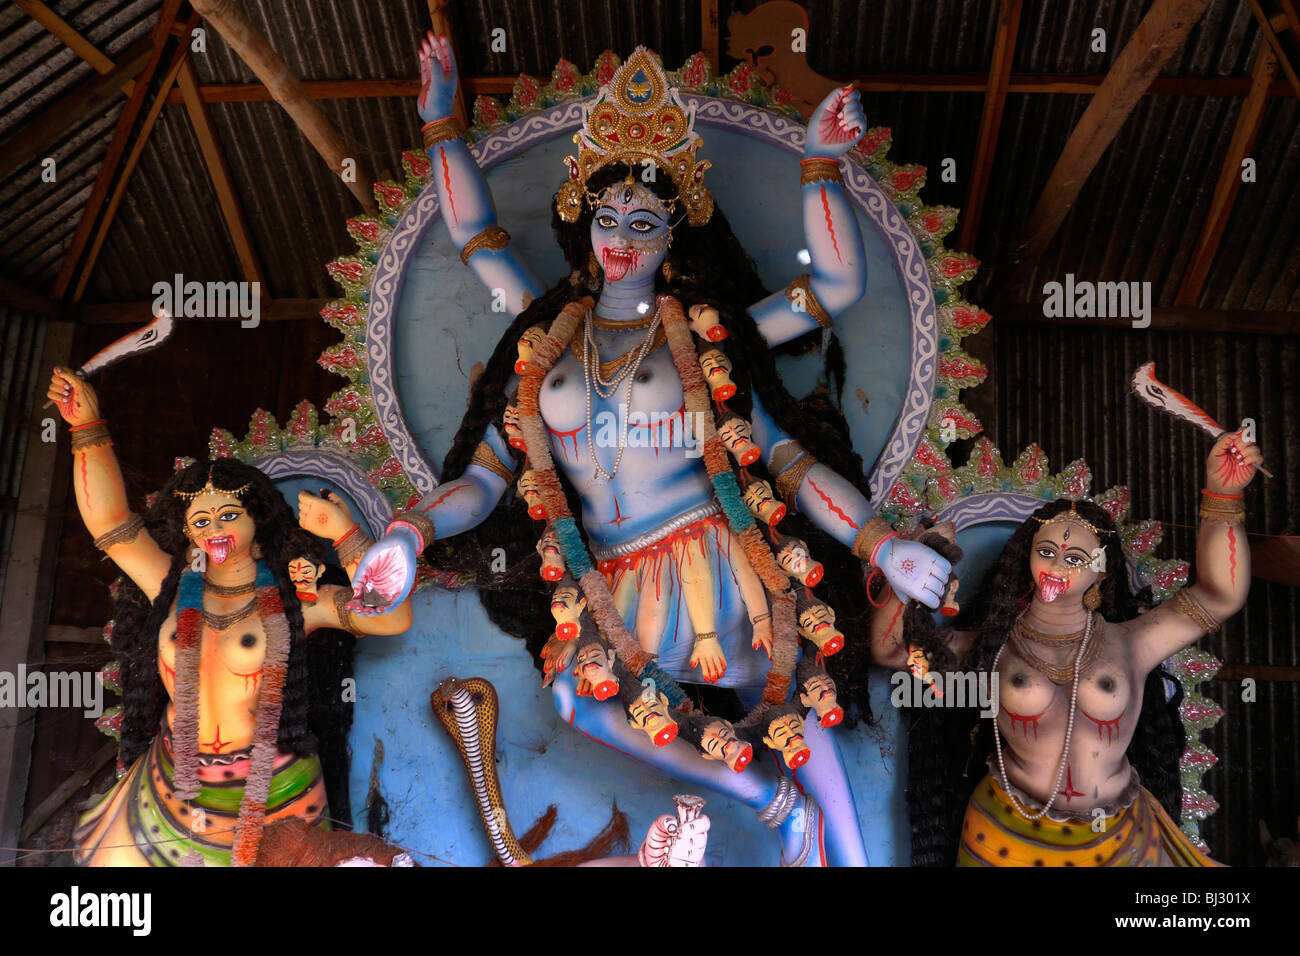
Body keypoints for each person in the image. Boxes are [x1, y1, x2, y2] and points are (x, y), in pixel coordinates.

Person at [351, 37, 953, 866]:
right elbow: (485, 470)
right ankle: (771, 801)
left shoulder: (715, 335)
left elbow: (827, 323)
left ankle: (846, 856)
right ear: (584, 223)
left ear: (676, 235)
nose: (623, 239)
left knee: (796, 709)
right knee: (576, 696)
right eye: (608, 219)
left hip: (720, 553)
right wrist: (407, 535)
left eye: (645, 222)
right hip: (610, 571)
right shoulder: (543, 334)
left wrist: (819, 164)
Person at [48, 368, 412, 866]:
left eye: (227, 515)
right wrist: (86, 428)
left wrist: (345, 533)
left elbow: (390, 618)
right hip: (173, 782)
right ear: (188, 533)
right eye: (200, 520)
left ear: (257, 519)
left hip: (279, 792)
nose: (212, 527)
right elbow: (110, 523)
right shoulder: (172, 585)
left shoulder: (296, 600)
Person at [873, 430, 1261, 865]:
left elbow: (1219, 595)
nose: (1058, 564)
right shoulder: (991, 647)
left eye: (1076, 557)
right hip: (1005, 836)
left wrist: (1222, 495)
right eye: (1047, 551)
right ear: (1028, 558)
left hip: (1120, 839)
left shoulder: (1132, 642)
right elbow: (890, 650)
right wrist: (911, 565)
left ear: (1102, 573)